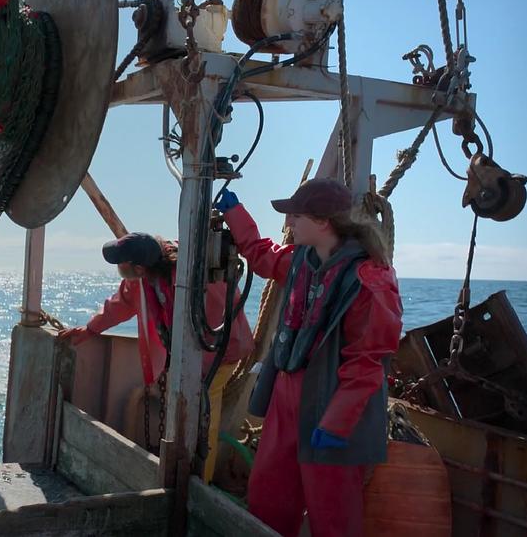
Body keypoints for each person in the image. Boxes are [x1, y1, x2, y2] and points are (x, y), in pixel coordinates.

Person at [216, 179, 403, 537]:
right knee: (268, 497)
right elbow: (261, 255)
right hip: (286, 396)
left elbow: (368, 363)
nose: (288, 223)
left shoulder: (371, 280)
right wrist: (234, 212)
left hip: (331, 404)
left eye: (296, 216)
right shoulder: (300, 259)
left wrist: (336, 424)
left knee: (332, 514)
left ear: (322, 222)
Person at [59, 232, 254, 483]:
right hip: (189, 358)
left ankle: (199, 484)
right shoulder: (147, 269)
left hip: (219, 355)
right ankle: (183, 474)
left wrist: (197, 375)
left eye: (121, 264)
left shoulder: (193, 274)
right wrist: (90, 329)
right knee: (190, 414)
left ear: (139, 268)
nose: (119, 270)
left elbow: (215, 325)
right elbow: (122, 302)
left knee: (203, 417)